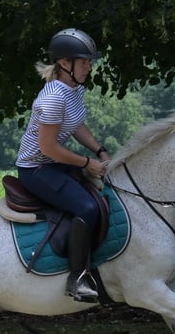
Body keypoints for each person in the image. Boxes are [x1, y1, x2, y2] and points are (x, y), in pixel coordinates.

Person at [15, 28, 112, 303]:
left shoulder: (72, 90)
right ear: (64, 63)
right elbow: (48, 148)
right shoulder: (53, 98)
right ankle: (77, 278)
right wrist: (86, 162)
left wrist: (99, 150)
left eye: (89, 63)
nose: (89, 68)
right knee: (87, 207)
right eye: (84, 62)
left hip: (56, 164)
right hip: (37, 169)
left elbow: (76, 124)